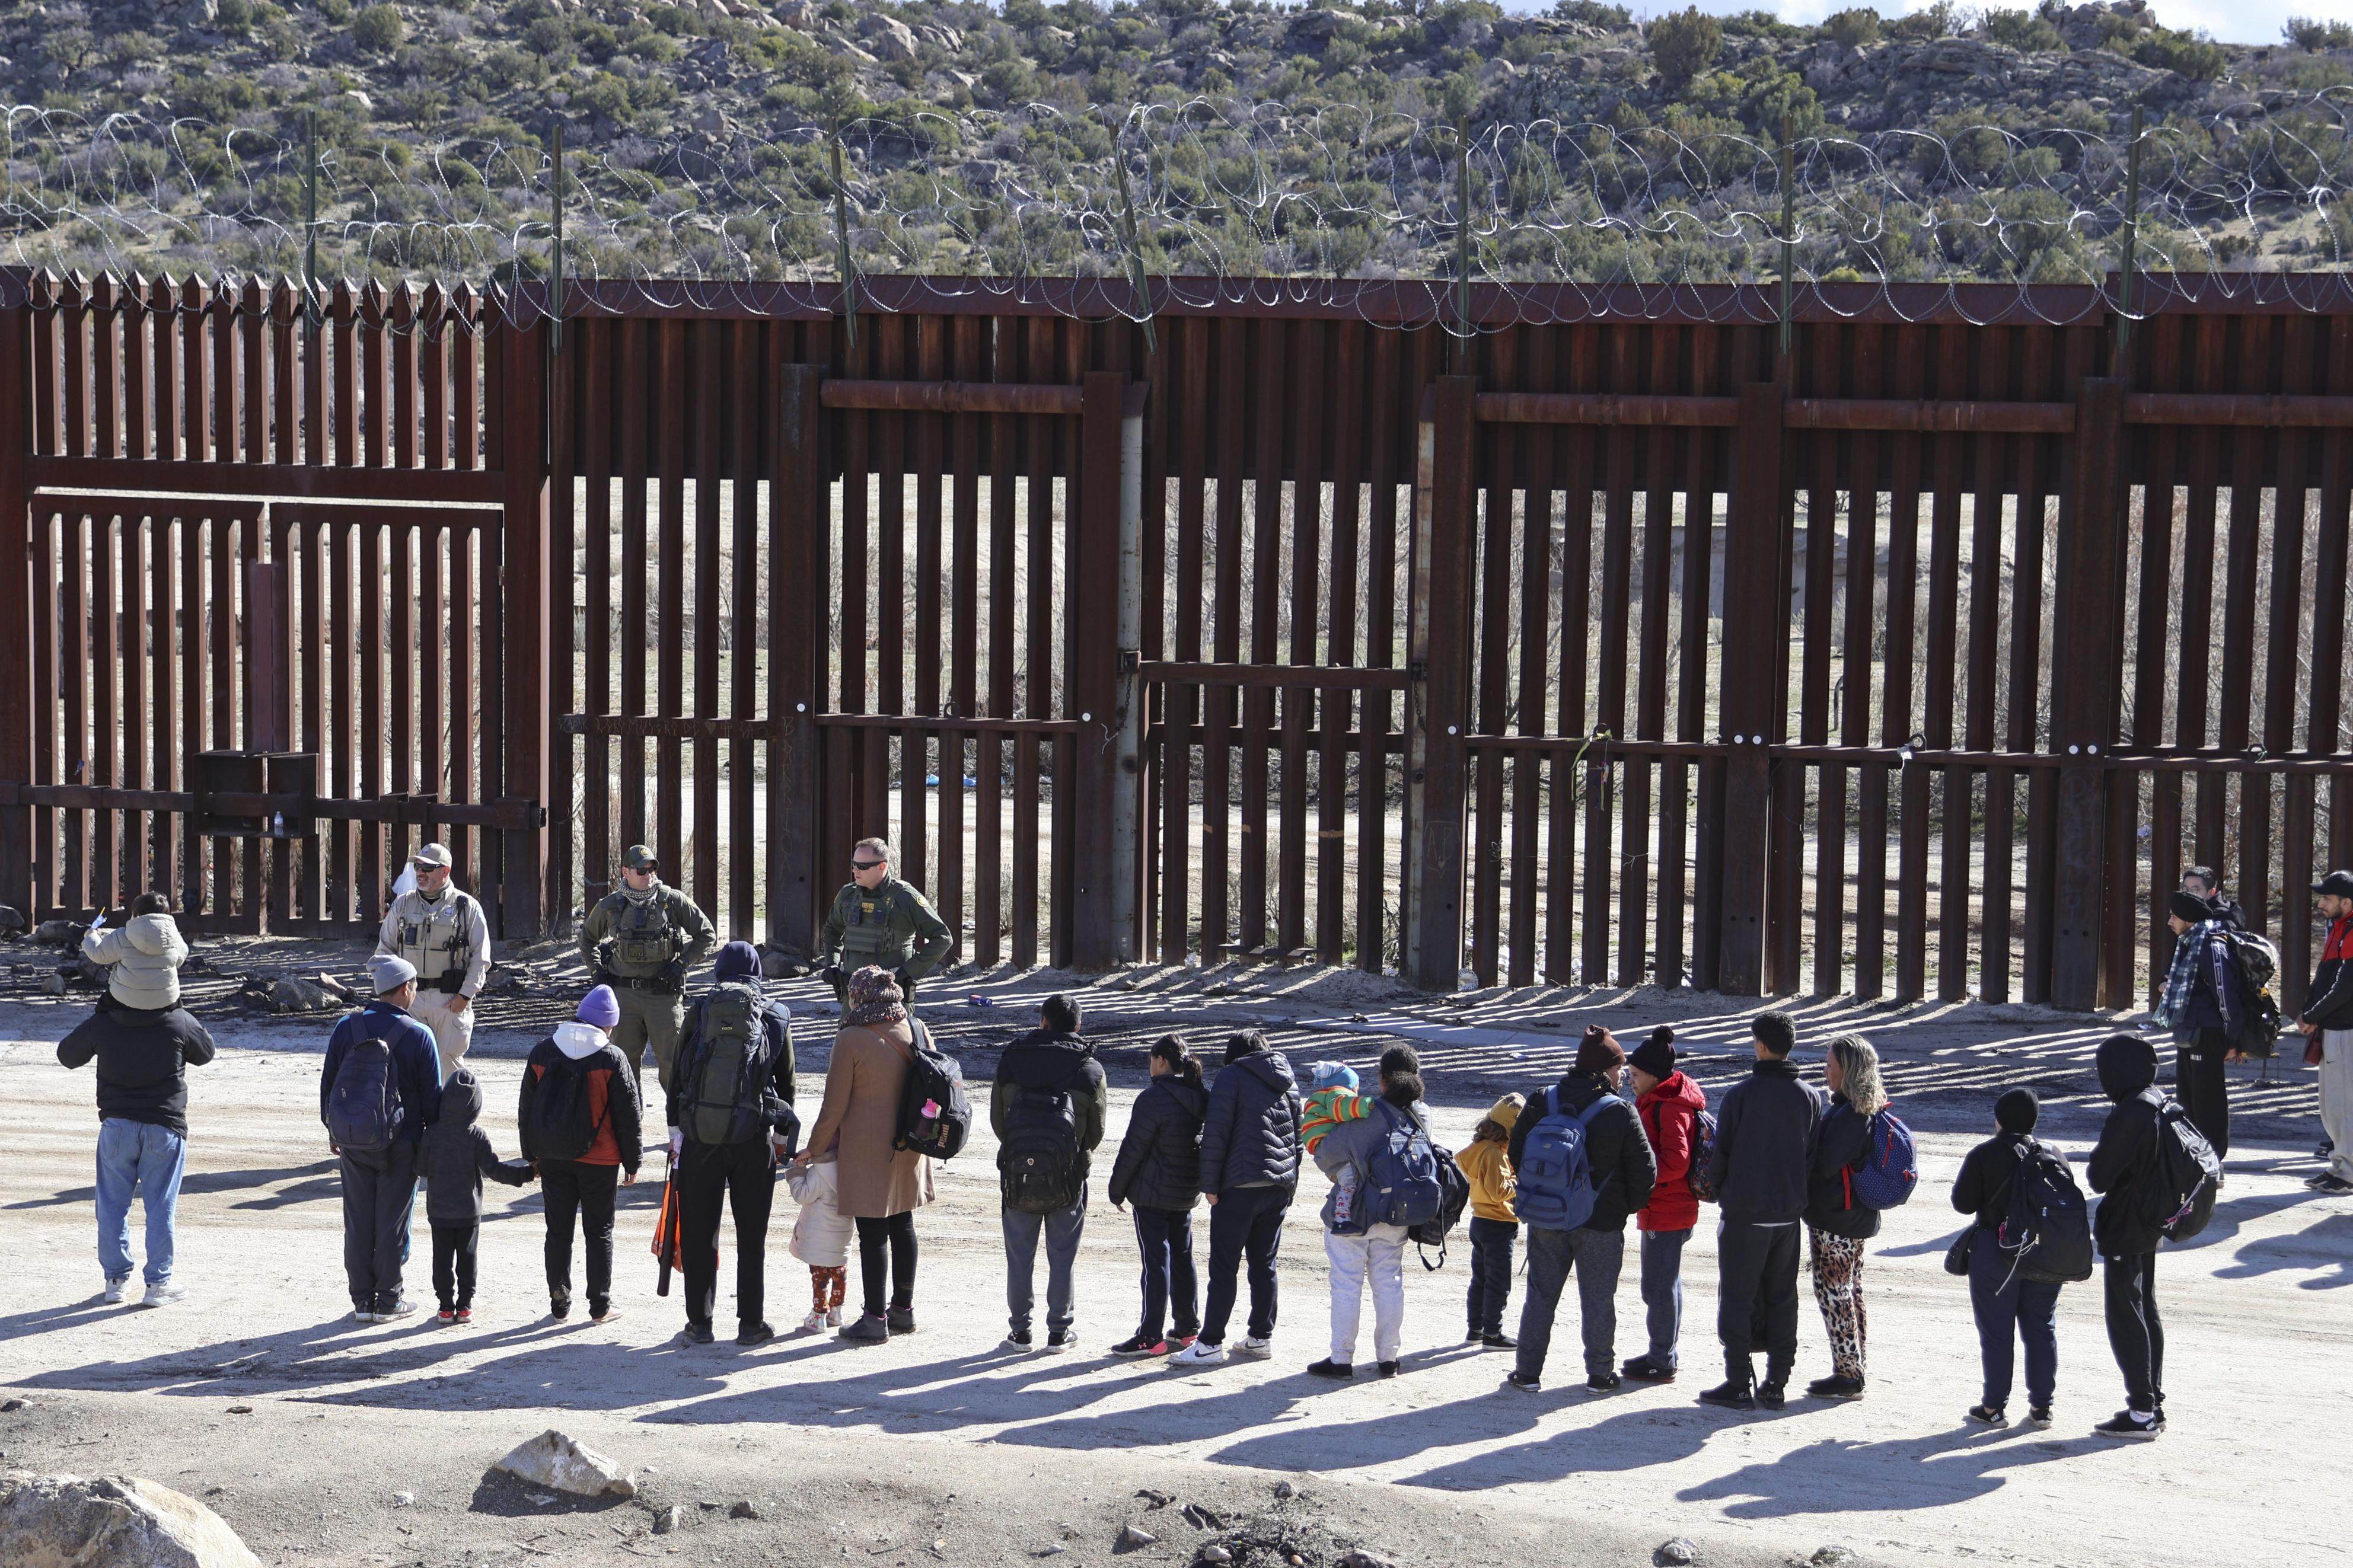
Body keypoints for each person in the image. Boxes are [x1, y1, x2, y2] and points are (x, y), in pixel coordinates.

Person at [1503, 1026, 1656, 1394]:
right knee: (1599, 1298)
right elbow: (1645, 1172)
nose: (1622, 1076)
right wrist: (1623, 1208)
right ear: (1606, 1071)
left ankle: (1527, 1372)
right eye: (1619, 1068)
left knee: (1540, 1294)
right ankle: (1600, 1375)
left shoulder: (1542, 1100)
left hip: (1547, 1216)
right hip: (1601, 1222)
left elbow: (1516, 1155)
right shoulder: (1620, 1111)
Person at [666, 941, 798, 1347]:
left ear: (719, 971)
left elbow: (678, 1076)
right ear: (758, 973)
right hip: (752, 1135)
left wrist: (676, 1132)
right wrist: (779, 1140)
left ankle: (700, 1324)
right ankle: (750, 1323)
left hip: (701, 1133)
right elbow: (787, 1085)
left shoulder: (701, 1009)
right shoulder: (775, 1014)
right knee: (751, 1235)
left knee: (701, 1231)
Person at [795, 966, 936, 1343]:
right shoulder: (917, 1028)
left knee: (873, 1232)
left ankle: (875, 1318)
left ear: (858, 997)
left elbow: (834, 1105)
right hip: (910, 1145)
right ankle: (902, 1311)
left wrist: (815, 1147)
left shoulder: (852, 1038)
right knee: (903, 1225)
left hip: (868, 1151)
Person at [56, 979, 216, 1305]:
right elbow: (206, 1053)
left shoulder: (105, 1022)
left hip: (117, 1127)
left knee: (112, 1207)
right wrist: (177, 1007)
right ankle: (158, 1285)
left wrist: (102, 1012)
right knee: (161, 1207)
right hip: (164, 1128)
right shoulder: (177, 1021)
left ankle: (116, 1281)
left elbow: (67, 1056)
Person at [1701, 1008, 1825, 1411]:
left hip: (1745, 1212)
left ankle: (1738, 1381)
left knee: (1737, 1297)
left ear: (1760, 1045)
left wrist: (1719, 1190)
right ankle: (1776, 1384)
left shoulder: (1740, 1095)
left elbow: (1721, 1154)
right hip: (1787, 1214)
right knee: (1782, 1297)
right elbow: (1811, 1155)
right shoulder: (1810, 1096)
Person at [320, 955, 444, 1323]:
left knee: (358, 1220)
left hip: (353, 1140)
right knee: (392, 1221)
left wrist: (333, 1130)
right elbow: (432, 1100)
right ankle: (389, 1301)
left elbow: (329, 1084)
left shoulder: (346, 1028)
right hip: (401, 1142)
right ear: (406, 988)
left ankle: (362, 1302)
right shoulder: (419, 1035)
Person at [1169, 1030, 1302, 1368]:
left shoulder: (1232, 1076)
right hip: (1278, 1186)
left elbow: (1216, 1134)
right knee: (1264, 1264)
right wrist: (1290, 1184)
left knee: (1225, 1266)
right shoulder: (1288, 1079)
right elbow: (1297, 1139)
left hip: (1240, 1185)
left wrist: (1210, 1186)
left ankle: (1211, 1342)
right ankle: (1260, 1337)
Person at [1305, 1046, 1433, 1379]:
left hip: (1356, 1213)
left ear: (1382, 1078)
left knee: (1347, 1284)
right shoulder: (1424, 1115)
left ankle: (1341, 1360)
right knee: (1389, 1283)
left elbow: (1327, 1154)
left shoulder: (1371, 1113)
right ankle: (1388, 1358)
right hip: (1398, 1213)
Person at [519, 985, 642, 1324]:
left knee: (558, 1231)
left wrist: (532, 1155)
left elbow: (527, 1109)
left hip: (553, 1157)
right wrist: (633, 1161)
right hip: (600, 1161)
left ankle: (559, 1304)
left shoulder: (543, 1051)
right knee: (599, 1231)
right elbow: (628, 1115)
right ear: (608, 1025)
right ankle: (600, 1306)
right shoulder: (612, 1058)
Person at [993, 994, 1108, 1352]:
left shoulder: (1013, 1059)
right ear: (1077, 1027)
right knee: (1062, 1256)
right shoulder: (1090, 1068)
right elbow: (1097, 1131)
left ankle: (1020, 1332)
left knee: (1019, 1255)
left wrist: (1024, 1150)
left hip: (1018, 1174)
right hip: (1069, 1176)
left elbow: (1000, 1122)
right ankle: (1059, 1331)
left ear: (1043, 1021)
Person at [1952, 1087, 2062, 1428]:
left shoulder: (1984, 1154)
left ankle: (1994, 1407)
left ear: (1998, 1120)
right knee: (2041, 1328)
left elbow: (1963, 1203)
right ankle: (2042, 1407)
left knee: (1997, 1333)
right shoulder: (2053, 1153)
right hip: (2044, 1251)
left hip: (1995, 1250)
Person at [579, 844, 718, 1100]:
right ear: (625, 872)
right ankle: (629, 1128)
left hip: (663, 997)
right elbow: (587, 940)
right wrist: (597, 973)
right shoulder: (610, 906)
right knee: (623, 1066)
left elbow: (707, 934)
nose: (648, 875)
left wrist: (682, 964)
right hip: (623, 997)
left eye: (652, 869)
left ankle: (680, 1130)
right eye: (641, 870)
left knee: (674, 1065)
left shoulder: (672, 901)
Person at [2087, 1033, 2171, 1439]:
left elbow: (2099, 1177)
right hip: (2153, 1219)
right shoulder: (2160, 1098)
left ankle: (2141, 1411)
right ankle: (2152, 1400)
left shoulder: (2130, 1112)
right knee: (2145, 1305)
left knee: (2125, 1312)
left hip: (2127, 1223)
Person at [1107, 1034, 1206, 1357]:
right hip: (1186, 1191)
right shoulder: (1200, 1096)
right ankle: (1187, 1328)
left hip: (1151, 1193)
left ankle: (1150, 1334)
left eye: (1151, 1060)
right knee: (1182, 1257)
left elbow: (1134, 1147)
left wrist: (1117, 1189)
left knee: (1155, 1263)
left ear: (1161, 1061)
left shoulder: (1152, 1098)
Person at [1803, 1034, 1887, 1401]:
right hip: (1851, 1217)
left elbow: (1825, 1165)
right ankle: (1854, 1366)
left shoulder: (1851, 1115)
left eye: (1831, 1064)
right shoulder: (1862, 1107)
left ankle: (1850, 1376)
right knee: (1849, 1292)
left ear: (1847, 1071)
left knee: (1834, 1294)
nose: (1825, 1070)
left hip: (1839, 1219)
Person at [417, 1065, 534, 1326]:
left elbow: (420, 1169)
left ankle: (446, 1307)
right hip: (469, 1211)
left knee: (442, 1260)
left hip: (439, 1211)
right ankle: (465, 1306)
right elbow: (494, 1170)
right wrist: (526, 1174)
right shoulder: (476, 1135)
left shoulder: (432, 1133)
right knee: (468, 1259)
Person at [1625, 1025, 1705, 1383]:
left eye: (1636, 1075)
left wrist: (1641, 1175)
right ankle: (1664, 1354)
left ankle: (1661, 1360)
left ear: (1654, 1076)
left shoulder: (1668, 1107)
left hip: (1667, 1208)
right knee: (1666, 1284)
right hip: (1670, 1207)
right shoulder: (1664, 1100)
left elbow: (1677, 1161)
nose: (1630, 1080)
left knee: (1657, 1287)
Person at [376, 841, 490, 1078]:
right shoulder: (402, 905)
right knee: (408, 1064)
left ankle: (451, 1115)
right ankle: (412, 1115)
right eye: (418, 867)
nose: (420, 873)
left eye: (427, 868)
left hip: (450, 1000)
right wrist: (390, 995)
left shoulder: (468, 907)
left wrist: (465, 995)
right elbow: (384, 952)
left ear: (445, 871)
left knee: (448, 1066)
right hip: (409, 999)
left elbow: (481, 958)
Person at [818, 838, 956, 1006]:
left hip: (891, 993)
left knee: (893, 1033)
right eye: (853, 864)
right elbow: (832, 930)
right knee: (849, 1033)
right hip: (853, 995)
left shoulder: (905, 898)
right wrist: (832, 964)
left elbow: (942, 937)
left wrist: (907, 972)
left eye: (862, 866)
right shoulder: (848, 895)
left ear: (881, 866)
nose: (855, 870)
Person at [2154, 887, 2240, 1159]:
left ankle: (2214, 1160)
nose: (2169, 922)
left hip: (2209, 1032)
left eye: (2173, 916)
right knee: (2188, 1099)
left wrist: (2233, 1039)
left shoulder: (2210, 946)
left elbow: (2225, 994)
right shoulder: (2188, 942)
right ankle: (2194, 1159)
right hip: (2189, 1029)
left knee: (2208, 1102)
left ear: (2187, 918)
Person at [2296, 870, 2353, 1192]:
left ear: (2346, 902)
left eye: (2327, 899)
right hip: (2335, 1028)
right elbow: (2325, 979)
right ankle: (2339, 1167)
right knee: (2332, 1104)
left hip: (2347, 1029)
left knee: (2343, 1104)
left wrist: (2312, 1016)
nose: (2320, 904)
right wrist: (2310, 1012)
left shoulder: (2352, 929)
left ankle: (2347, 1173)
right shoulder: (2341, 927)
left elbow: (2345, 988)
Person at [1459, 1093, 1523, 1350]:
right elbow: (1499, 1192)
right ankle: (1492, 1333)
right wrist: (1521, 1180)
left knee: (1481, 1279)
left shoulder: (1481, 1147)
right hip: (1499, 1224)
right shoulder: (1496, 1153)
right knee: (1498, 1282)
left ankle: (1475, 1329)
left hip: (1480, 1221)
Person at [80, 892, 189, 1013]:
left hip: (125, 999)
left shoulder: (122, 936)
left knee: (103, 1007)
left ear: (136, 914)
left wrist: (90, 936)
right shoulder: (174, 937)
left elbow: (99, 955)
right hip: (166, 1000)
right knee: (179, 1010)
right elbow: (181, 958)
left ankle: (104, 1029)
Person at [2182, 865, 2244, 931]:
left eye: (2195, 890)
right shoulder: (2184, 910)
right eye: (2186, 889)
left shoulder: (2223, 918)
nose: (2189, 894)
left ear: (2211, 892)